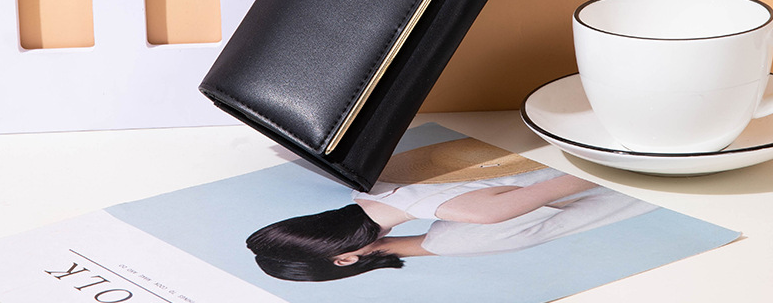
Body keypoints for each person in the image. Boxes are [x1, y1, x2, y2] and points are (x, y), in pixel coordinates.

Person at [246, 167, 656, 282]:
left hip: (646, 178)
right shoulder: (367, 184)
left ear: (344, 260)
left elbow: (601, 173)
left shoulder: (465, 227)